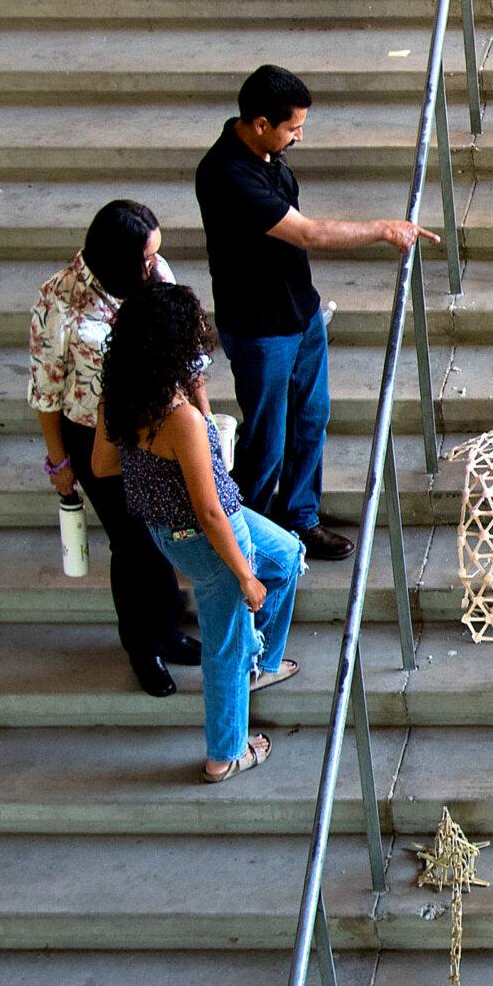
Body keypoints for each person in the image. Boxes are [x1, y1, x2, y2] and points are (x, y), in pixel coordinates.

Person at [195, 63, 438, 564]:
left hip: (299, 313)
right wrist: (383, 229)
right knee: (267, 439)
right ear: (261, 123)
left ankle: (300, 519)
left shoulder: (267, 154)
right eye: (293, 128)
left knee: (311, 419)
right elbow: (307, 233)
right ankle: (247, 537)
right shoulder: (227, 173)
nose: (300, 136)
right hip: (259, 329)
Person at [93, 282, 304, 784]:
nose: (199, 343)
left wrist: (157, 466)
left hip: (174, 527)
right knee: (226, 641)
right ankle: (225, 754)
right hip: (210, 534)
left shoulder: (121, 394)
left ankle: (260, 665)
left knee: (286, 554)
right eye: (192, 336)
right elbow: (210, 512)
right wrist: (244, 576)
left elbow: (102, 464)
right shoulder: (178, 419)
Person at [30, 199, 205, 697]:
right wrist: (59, 463)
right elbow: (46, 392)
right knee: (132, 542)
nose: (156, 264)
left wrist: (204, 417)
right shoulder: (58, 300)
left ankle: (169, 630)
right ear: (119, 257)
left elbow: (186, 349)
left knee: (162, 528)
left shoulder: (154, 273)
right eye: (146, 257)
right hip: (95, 434)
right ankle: (142, 645)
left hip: (160, 424)